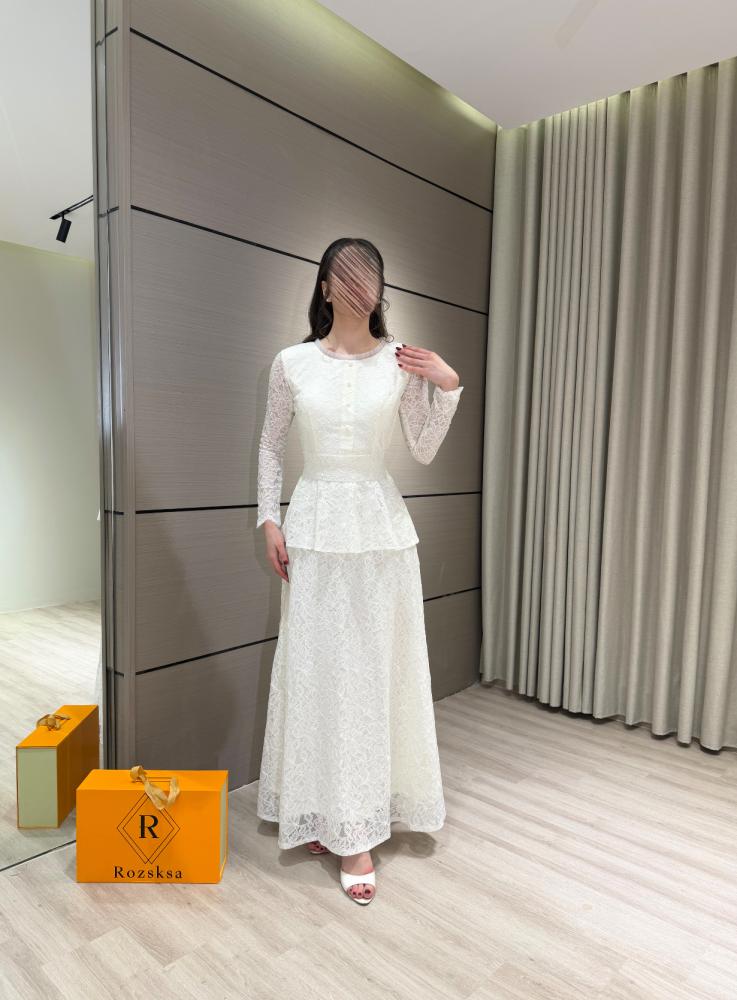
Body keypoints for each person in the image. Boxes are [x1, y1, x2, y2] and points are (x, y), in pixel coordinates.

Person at [255, 237, 464, 905]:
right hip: (314, 531)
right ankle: (324, 808)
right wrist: (267, 520)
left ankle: (361, 828)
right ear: (323, 287)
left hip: (380, 534)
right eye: (342, 275)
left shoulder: (400, 364)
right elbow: (269, 445)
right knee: (319, 672)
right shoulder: (291, 363)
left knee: (373, 675)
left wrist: (447, 385)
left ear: (380, 288)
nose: (355, 285)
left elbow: (422, 449)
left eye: (367, 275)